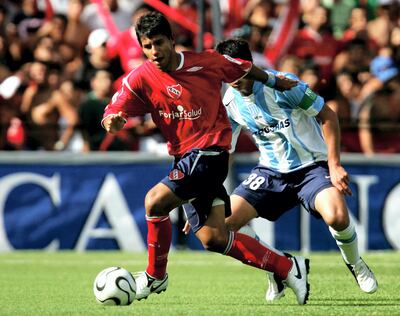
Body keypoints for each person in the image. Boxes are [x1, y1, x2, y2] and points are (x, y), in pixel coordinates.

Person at [102, 12, 310, 305]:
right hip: (185, 158)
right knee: (213, 237)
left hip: (209, 154)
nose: (154, 52)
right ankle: (287, 267)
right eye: (147, 46)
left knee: (154, 201)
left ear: (172, 40)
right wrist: (112, 120)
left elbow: (244, 68)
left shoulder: (206, 62)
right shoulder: (140, 78)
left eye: (159, 43)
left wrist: (275, 81)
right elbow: (114, 108)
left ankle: (154, 275)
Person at [214, 38, 378, 301]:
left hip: (311, 166)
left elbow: (328, 116)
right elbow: (226, 151)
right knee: (222, 225)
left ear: (251, 66)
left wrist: (334, 164)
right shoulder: (229, 102)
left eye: (238, 71)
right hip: (270, 172)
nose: (233, 79)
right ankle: (276, 267)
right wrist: (209, 192)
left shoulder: (282, 84)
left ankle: (356, 264)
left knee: (336, 215)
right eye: (226, 72)